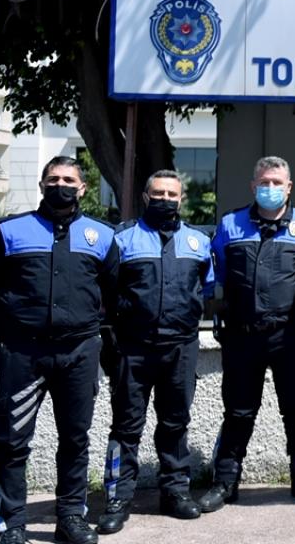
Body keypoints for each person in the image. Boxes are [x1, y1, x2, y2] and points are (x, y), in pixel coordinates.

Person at [0, 156, 119, 544]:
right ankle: (12, 524)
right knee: (12, 441)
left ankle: (70, 517)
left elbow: (114, 292)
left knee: (75, 439)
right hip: (24, 354)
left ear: (82, 188)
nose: (61, 185)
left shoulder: (102, 236)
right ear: (41, 185)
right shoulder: (9, 231)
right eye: (53, 179)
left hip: (79, 353)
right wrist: (15, 323)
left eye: (69, 179)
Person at [199, 156, 295, 512]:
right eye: (264, 182)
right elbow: (219, 271)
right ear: (253, 186)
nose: (270, 188)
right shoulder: (230, 225)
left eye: (277, 182)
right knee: (238, 412)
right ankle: (225, 482)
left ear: (289, 187)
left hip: (290, 335)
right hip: (242, 335)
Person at [97, 171, 215, 534]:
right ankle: (117, 498)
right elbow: (106, 290)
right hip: (133, 349)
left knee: (175, 423)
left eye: (172, 194)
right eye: (158, 193)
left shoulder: (199, 241)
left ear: (181, 199)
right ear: (146, 197)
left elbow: (205, 288)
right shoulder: (122, 239)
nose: (165, 199)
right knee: (125, 427)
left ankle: (175, 492)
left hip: (180, 348)